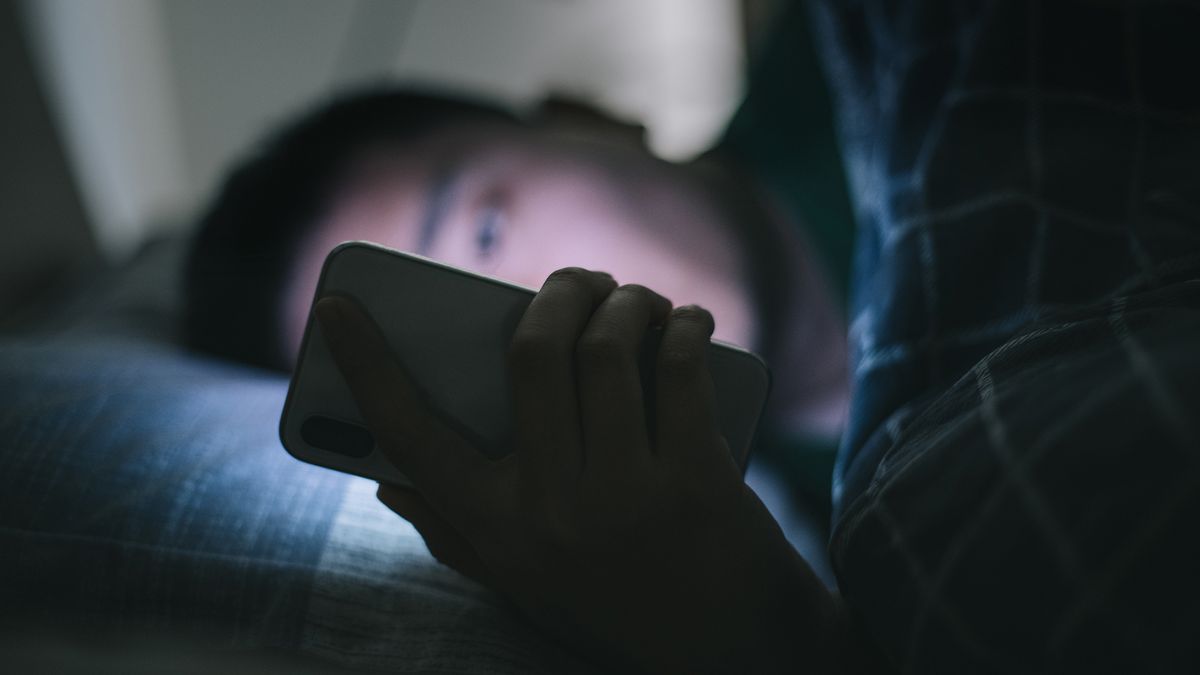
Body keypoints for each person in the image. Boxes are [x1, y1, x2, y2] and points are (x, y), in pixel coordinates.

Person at [257, 1, 1200, 673]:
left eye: (488, 231)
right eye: (448, 357)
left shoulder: (902, 43)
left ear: (590, 119)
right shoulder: (809, 545)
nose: (541, 331)